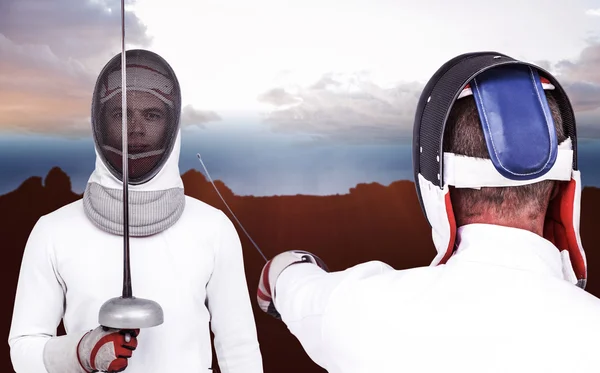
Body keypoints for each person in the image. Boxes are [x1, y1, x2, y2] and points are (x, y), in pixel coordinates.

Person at [256, 52, 600, 372]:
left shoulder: (358, 311)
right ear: (562, 186)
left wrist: (286, 268)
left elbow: (291, 283)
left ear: (435, 186)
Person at [8, 49, 264, 373]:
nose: (136, 129)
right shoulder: (53, 231)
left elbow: (239, 350)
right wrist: (82, 350)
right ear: (100, 123)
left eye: (152, 115)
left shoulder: (214, 229)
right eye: (121, 115)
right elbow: (24, 347)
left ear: (172, 123)